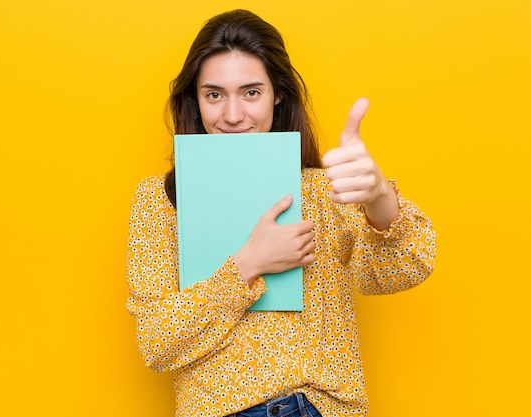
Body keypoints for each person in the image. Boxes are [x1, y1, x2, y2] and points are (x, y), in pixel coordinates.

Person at [126, 9, 436, 417]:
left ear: (278, 94)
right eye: (214, 94)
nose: (233, 115)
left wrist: (378, 196)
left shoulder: (324, 189)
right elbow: (157, 344)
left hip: (323, 407)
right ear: (195, 101)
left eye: (251, 92)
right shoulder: (161, 201)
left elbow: (403, 269)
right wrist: (248, 264)